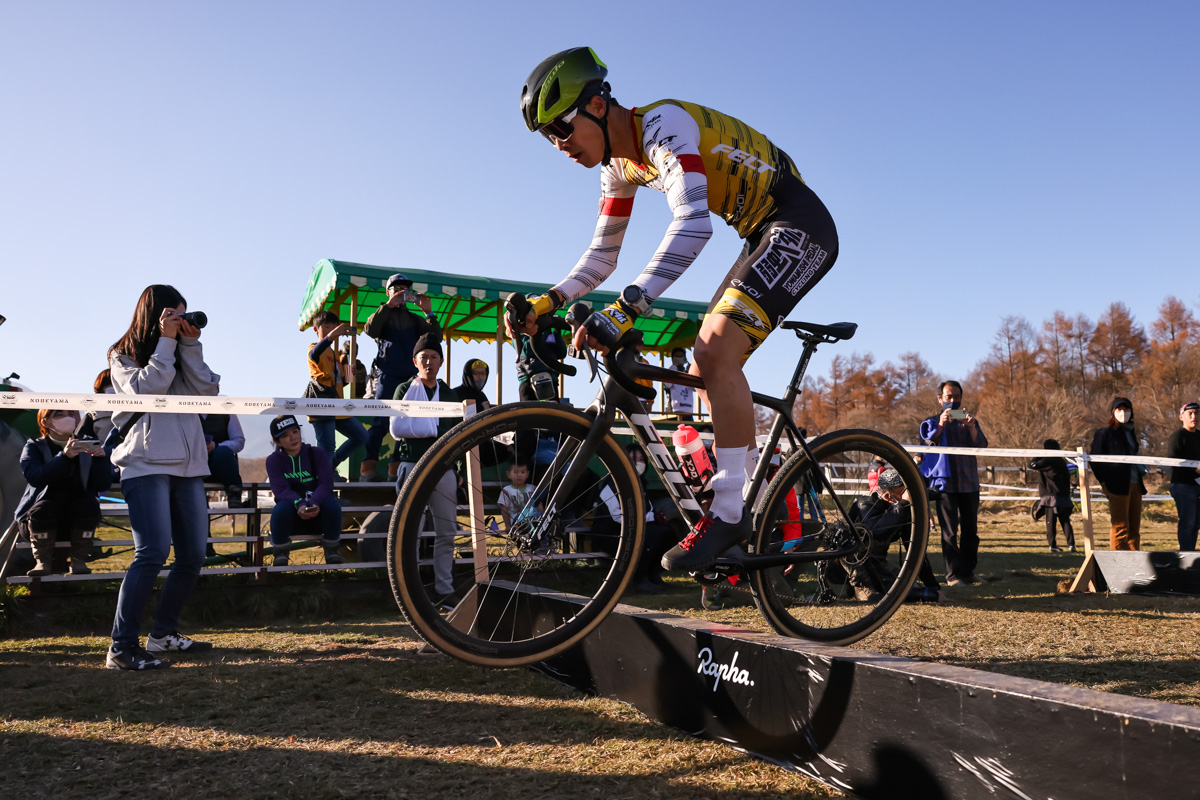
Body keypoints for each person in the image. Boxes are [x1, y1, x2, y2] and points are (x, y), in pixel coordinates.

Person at [514, 48, 838, 572]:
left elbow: (693, 225)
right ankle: (734, 509)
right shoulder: (619, 166)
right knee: (698, 367)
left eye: (561, 128)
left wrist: (626, 310)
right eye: (549, 137)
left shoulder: (663, 126)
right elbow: (603, 256)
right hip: (759, 231)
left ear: (597, 105)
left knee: (714, 349)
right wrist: (546, 301)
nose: (559, 146)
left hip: (799, 221)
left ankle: (731, 511)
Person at [106, 284, 218, 671]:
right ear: (153, 315)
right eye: (173, 315)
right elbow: (144, 391)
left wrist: (189, 345)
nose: (180, 321)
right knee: (152, 552)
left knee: (192, 555)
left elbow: (208, 389)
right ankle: (121, 648)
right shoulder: (120, 355)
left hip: (188, 465)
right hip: (145, 462)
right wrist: (166, 343)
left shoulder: (180, 352)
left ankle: (162, 635)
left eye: (184, 315)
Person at [390, 334, 461, 607]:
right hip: (412, 465)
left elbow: (455, 434)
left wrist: (456, 468)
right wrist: (434, 432)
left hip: (443, 468)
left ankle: (444, 591)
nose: (428, 362)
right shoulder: (404, 389)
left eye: (433, 357)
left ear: (441, 361)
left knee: (447, 531)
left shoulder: (451, 394)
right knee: (409, 533)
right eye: (423, 358)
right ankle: (408, 592)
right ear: (415, 361)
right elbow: (399, 429)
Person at [361, 273, 442, 481]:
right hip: (386, 377)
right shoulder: (383, 315)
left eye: (405, 290)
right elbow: (369, 329)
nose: (402, 293)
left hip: (409, 380)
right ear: (388, 292)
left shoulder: (414, 319)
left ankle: (395, 470)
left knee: (405, 423)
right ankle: (368, 468)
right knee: (379, 422)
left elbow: (434, 338)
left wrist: (428, 312)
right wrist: (389, 304)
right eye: (397, 289)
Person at [15, 408, 112, 575]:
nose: (68, 418)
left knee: (88, 504)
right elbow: (35, 478)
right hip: (39, 521)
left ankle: (79, 560)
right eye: (59, 415)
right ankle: (42, 561)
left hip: (77, 521)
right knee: (45, 507)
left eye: (71, 413)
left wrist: (101, 460)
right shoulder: (34, 446)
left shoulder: (88, 445)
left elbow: (101, 484)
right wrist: (64, 457)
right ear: (45, 422)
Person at [919, 380, 988, 586]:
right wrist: (941, 423)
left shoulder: (969, 421)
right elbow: (929, 441)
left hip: (969, 483)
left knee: (971, 531)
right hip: (945, 484)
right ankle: (952, 575)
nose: (953, 401)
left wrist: (972, 427)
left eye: (957, 397)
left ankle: (968, 572)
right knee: (949, 532)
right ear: (940, 399)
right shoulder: (931, 422)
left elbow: (981, 444)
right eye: (948, 397)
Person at [264, 415, 343, 566]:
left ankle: (332, 549)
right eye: (285, 436)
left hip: (318, 510)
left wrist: (313, 503)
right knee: (280, 509)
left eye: (295, 432)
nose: (292, 438)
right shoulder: (273, 460)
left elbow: (326, 484)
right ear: (277, 441)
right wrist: (299, 504)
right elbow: (280, 490)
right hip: (291, 514)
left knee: (332, 505)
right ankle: (280, 553)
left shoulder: (316, 453)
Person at [306, 310, 368, 473]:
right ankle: (326, 480)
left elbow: (343, 382)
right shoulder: (313, 348)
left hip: (338, 405)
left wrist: (351, 368)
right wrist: (333, 335)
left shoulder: (335, 355)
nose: (331, 330)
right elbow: (314, 353)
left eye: (334, 327)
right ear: (316, 329)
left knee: (361, 435)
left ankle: (330, 466)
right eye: (326, 327)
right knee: (327, 447)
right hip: (321, 403)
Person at [1089, 396, 1146, 551]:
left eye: (1126, 409)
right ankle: (1118, 565)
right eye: (1119, 409)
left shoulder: (1131, 434)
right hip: (1117, 486)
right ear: (1113, 412)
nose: (1123, 413)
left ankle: (1135, 564)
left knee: (1134, 529)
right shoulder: (1104, 433)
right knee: (1120, 527)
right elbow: (1094, 460)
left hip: (1136, 485)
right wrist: (1105, 483)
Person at [1030, 439, 1076, 553]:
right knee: (1065, 521)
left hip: (1050, 496)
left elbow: (1032, 465)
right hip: (1064, 496)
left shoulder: (1047, 461)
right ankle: (1071, 545)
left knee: (1050, 521)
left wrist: (1037, 456)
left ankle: (1052, 545)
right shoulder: (1061, 461)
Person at [1166, 401, 1200, 551]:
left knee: (1196, 523)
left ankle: (1191, 554)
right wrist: (1195, 470)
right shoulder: (1178, 436)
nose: (1194, 416)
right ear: (1181, 417)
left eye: (1197, 413)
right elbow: (1173, 459)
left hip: (1198, 485)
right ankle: (1186, 555)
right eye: (1190, 413)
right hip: (1183, 485)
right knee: (1188, 522)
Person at [201, 412, 246, 507]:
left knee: (223, 452)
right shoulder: (182, 408)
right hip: (190, 467)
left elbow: (239, 441)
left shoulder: (225, 409)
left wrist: (215, 446)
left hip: (219, 467)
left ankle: (234, 494)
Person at [517, 327, 567, 402]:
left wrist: (557, 333)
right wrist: (542, 331)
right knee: (529, 412)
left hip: (551, 381)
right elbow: (527, 350)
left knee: (551, 412)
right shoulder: (521, 331)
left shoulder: (549, 333)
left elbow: (562, 353)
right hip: (529, 381)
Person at [498, 457, 536, 530]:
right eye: (515, 472)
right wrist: (508, 526)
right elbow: (504, 510)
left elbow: (539, 506)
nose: (519, 475)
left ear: (527, 474)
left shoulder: (533, 488)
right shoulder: (506, 491)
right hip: (517, 519)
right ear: (509, 474)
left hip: (534, 518)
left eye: (522, 472)